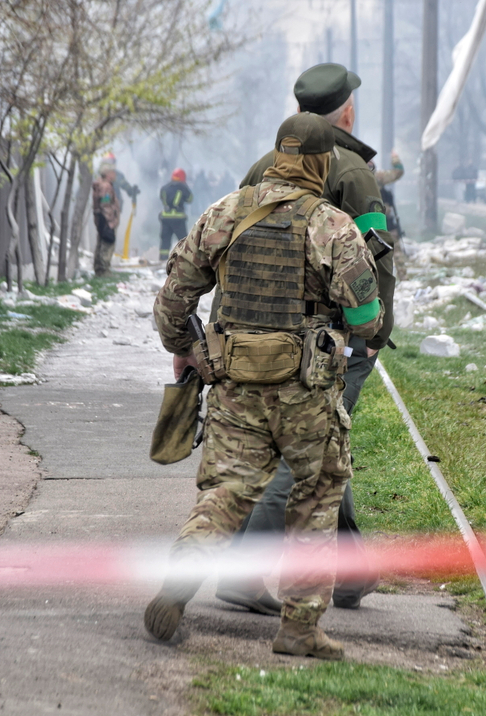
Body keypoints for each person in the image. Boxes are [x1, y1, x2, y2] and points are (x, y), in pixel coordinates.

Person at [146, 112, 384, 660]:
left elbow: (172, 303)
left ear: (278, 155)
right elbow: (368, 318)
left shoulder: (226, 212)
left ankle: (181, 580)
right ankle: (299, 629)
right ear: (323, 163)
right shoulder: (332, 225)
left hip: (235, 387)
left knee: (226, 494)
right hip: (306, 394)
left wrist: (187, 348)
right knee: (317, 497)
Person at [218, 62, 397, 615]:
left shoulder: (263, 164)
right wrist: (374, 333)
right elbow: (375, 260)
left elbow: (232, 243)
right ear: (345, 109)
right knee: (303, 455)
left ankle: (350, 576)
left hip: (257, 332)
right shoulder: (351, 171)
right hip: (329, 341)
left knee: (324, 448)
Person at [373, 152, 406, 280]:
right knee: (396, 250)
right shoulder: (378, 176)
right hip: (384, 220)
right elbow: (399, 171)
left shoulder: (354, 176)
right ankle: (403, 276)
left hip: (369, 221)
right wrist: (395, 158)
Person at [91, 162, 120, 276]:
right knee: (107, 243)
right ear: (108, 174)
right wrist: (111, 220)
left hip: (100, 218)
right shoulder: (106, 186)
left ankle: (98, 267)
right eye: (113, 172)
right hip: (106, 219)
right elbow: (105, 203)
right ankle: (104, 270)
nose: (115, 175)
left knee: (101, 241)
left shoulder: (100, 185)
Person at [158, 168, 193, 258]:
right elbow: (190, 199)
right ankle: (186, 259)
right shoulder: (183, 187)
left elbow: (162, 197)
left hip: (165, 218)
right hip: (178, 218)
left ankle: (162, 259)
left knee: (165, 241)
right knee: (183, 241)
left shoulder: (165, 187)